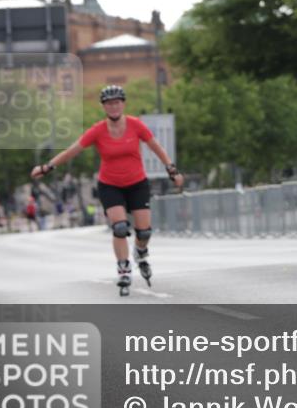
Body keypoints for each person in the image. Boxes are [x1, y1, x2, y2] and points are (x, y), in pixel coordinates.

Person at [30, 85, 184, 296]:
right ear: (104, 107)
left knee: (144, 231)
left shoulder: (135, 125)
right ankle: (124, 268)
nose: (113, 106)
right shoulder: (98, 130)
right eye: (109, 103)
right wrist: (47, 167)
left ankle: (140, 252)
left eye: (117, 102)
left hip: (137, 183)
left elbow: (156, 147)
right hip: (110, 185)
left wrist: (172, 170)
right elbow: (72, 150)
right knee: (120, 227)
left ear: (123, 104)